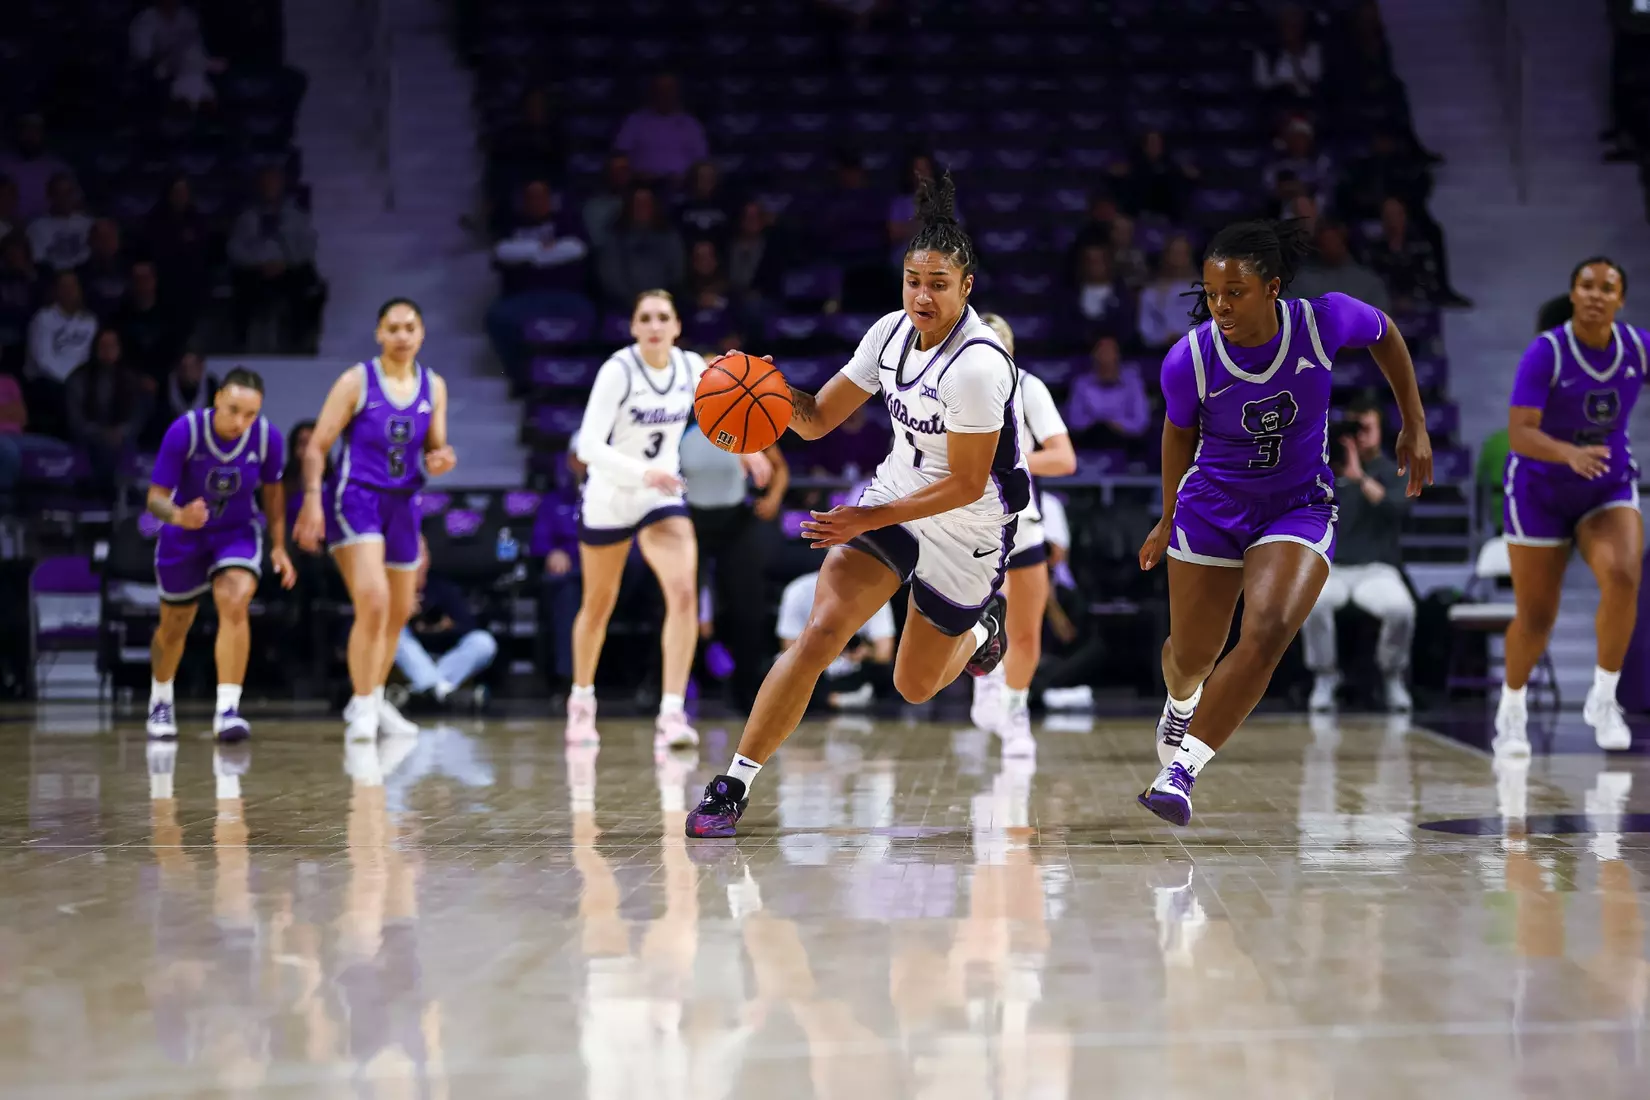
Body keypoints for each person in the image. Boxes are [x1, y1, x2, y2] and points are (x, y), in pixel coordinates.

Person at [685, 172, 1027, 838]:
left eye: (938, 283)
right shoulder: (889, 334)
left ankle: (982, 631)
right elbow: (816, 420)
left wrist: (864, 517)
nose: (921, 295)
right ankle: (733, 785)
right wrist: (766, 386)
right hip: (899, 492)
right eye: (912, 280)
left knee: (914, 686)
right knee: (820, 633)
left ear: (966, 287)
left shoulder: (979, 366)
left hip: (970, 521)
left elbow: (965, 483)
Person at [1136, 219, 1431, 826]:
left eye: (1234, 292)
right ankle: (1181, 702)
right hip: (1212, 505)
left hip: (1298, 504)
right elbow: (1176, 434)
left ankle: (1182, 771)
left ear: (1272, 288)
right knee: (1192, 656)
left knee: (1268, 630)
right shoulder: (1189, 358)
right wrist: (1167, 517)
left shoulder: (1324, 321)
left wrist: (1414, 421)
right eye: (1211, 293)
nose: (1220, 306)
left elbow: (1387, 333)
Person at [567, 289, 770, 746]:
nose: (655, 325)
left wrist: (747, 448)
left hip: (659, 496)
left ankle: (672, 713)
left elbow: (721, 413)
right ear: (634, 327)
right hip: (611, 493)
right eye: (646, 318)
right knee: (598, 603)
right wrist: (644, 473)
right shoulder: (618, 371)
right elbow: (588, 447)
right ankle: (581, 703)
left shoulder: (690, 367)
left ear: (677, 326)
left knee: (683, 594)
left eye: (663, 317)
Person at [1494, 257, 1647, 756]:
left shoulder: (1636, 347)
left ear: (1621, 299)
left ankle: (1604, 698)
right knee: (1536, 618)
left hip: (1605, 485)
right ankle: (1512, 710)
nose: (1597, 294)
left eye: (1608, 287)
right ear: (1574, 294)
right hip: (1539, 490)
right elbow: (1520, 434)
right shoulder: (1547, 352)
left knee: (1623, 575)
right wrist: (1568, 454)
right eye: (1587, 285)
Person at [294, 299, 457, 740]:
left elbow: (436, 448)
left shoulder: (434, 386)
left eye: (410, 327)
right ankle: (364, 706)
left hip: (404, 503)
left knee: (399, 611)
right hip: (357, 498)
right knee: (374, 600)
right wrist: (311, 501)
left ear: (421, 334)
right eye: (393, 328)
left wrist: (442, 460)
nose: (402, 336)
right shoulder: (356, 381)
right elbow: (317, 446)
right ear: (379, 334)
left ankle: (373, 696)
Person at [145, 368, 295, 741]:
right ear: (217, 400)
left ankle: (228, 709)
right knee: (174, 626)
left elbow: (273, 494)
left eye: (250, 414)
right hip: (185, 533)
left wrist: (279, 545)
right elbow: (155, 499)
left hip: (236, 532)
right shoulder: (185, 430)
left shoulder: (267, 438)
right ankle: (161, 699)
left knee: (235, 599)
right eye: (233, 411)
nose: (240, 422)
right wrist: (179, 516)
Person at [970, 313, 1077, 754]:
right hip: (970, 521)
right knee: (988, 615)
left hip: (1024, 521)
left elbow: (1064, 459)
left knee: (1027, 632)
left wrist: (1011, 461)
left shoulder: (1029, 387)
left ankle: (1015, 711)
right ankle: (986, 680)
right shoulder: (947, 388)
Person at [1301, 396, 1416, 713]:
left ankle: (1392, 676)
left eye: (1366, 428)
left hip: (1377, 570)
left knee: (1401, 610)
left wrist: (1359, 477)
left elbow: (1397, 509)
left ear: (1381, 432)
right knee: (1312, 603)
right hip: (1333, 569)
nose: (1360, 435)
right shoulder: (1324, 471)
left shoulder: (1394, 470)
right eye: (1354, 429)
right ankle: (1325, 676)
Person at [680, 421, 789, 712]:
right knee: (678, 602)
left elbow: (779, 468)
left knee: (747, 605)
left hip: (736, 520)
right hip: (690, 519)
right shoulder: (680, 420)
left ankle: (746, 689)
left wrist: (773, 498)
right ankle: (667, 688)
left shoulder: (744, 420)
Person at [394, 536, 498, 706]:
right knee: (393, 634)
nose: (415, 562)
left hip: (448, 655)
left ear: (427, 559)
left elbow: (469, 626)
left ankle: (426, 690)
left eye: (419, 555)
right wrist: (401, 613)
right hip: (411, 657)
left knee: (484, 642)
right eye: (408, 555)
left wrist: (443, 626)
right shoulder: (390, 588)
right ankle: (441, 691)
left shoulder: (442, 588)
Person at [775, 567, 895, 709]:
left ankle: (843, 698)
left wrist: (865, 652)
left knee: (887, 671)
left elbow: (883, 653)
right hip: (815, 667)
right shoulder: (798, 591)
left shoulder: (874, 593)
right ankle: (832, 700)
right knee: (784, 671)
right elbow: (789, 649)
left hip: (854, 667)